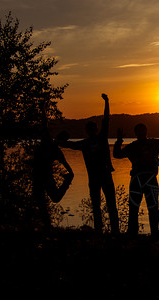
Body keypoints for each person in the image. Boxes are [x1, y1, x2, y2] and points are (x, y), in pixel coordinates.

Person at [57, 94, 118, 233]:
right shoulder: (84, 144)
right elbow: (70, 145)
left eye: (93, 129)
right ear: (87, 131)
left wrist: (107, 102)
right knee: (96, 206)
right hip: (94, 179)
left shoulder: (102, 138)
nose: (91, 131)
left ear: (96, 130)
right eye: (89, 129)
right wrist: (57, 142)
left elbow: (106, 119)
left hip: (106, 176)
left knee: (111, 205)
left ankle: (115, 231)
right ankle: (98, 231)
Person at [113, 123, 159, 236]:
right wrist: (118, 140)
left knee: (149, 207)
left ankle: (150, 231)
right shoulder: (144, 145)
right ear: (137, 133)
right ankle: (137, 232)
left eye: (143, 131)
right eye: (140, 131)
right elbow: (117, 154)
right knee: (138, 207)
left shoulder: (149, 144)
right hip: (140, 180)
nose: (142, 133)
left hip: (146, 179)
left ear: (145, 132)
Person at [33, 102, 74, 230]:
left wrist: (68, 177)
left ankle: (46, 225)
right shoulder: (49, 142)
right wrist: (43, 108)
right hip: (39, 176)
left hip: (44, 177)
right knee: (41, 201)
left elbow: (67, 166)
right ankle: (46, 226)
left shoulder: (57, 150)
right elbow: (44, 123)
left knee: (50, 199)